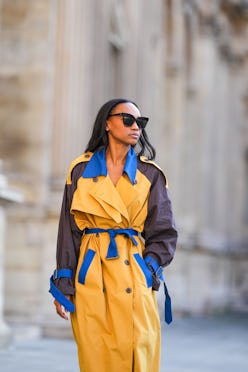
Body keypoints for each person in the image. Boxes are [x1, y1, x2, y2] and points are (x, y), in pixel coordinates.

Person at [49, 98, 178, 372]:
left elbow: (164, 232)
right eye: (128, 120)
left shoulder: (150, 174)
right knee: (96, 356)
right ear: (107, 123)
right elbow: (69, 232)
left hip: (133, 274)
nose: (136, 128)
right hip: (92, 274)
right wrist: (64, 284)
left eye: (140, 123)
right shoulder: (80, 171)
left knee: (138, 355)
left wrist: (148, 270)